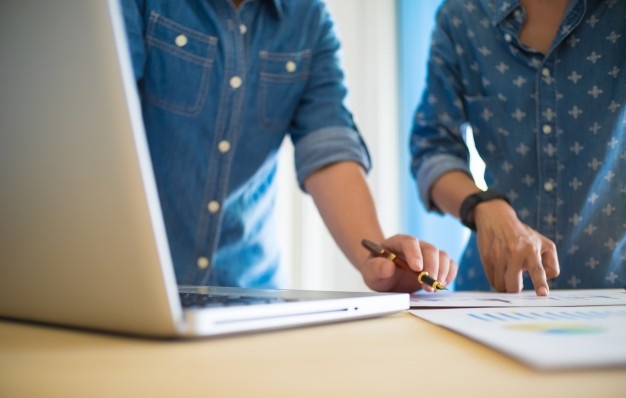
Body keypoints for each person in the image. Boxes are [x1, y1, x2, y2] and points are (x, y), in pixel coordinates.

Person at [121, 0, 457, 293]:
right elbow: (104, 118)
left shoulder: (310, 20)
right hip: (131, 283)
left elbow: (329, 150)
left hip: (248, 295)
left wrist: (377, 258)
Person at [410, 0, 625, 295]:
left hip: (614, 295)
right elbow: (431, 148)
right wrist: (483, 206)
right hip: (492, 293)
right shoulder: (462, 15)